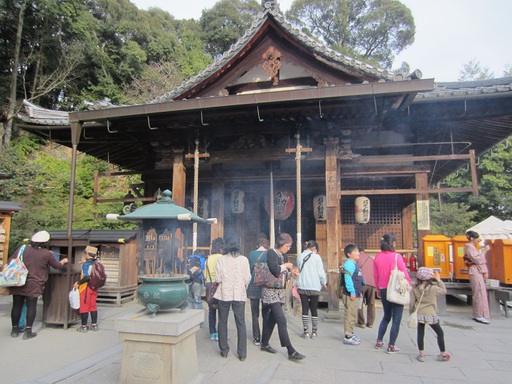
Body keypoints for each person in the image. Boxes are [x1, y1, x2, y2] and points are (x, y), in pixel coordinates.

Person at [9, 230, 69, 339]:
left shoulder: (22, 249)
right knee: (31, 306)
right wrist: (64, 261)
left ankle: (14, 330)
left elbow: (10, 261)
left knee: (16, 306)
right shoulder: (46, 253)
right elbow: (57, 266)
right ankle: (28, 332)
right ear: (45, 242)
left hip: (18, 281)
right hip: (35, 283)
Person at [260, 233, 305, 362]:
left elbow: (283, 272)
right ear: (280, 244)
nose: (288, 248)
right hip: (270, 292)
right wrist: (286, 266)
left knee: (273, 319)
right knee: (281, 320)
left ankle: (264, 343)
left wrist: (292, 272)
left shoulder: (283, 255)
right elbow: (274, 270)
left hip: (279, 291)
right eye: (287, 246)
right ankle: (290, 350)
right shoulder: (271, 253)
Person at [374, 232, 411, 354]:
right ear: (393, 243)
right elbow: (404, 273)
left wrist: (378, 289)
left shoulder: (377, 257)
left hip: (383, 289)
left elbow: (376, 275)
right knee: (396, 319)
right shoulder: (396, 257)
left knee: (386, 316)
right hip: (395, 289)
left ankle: (379, 340)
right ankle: (391, 345)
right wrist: (408, 285)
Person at [213, 243, 251, 361]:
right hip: (239, 294)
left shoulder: (221, 259)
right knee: (240, 323)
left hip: (224, 293)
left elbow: (218, 278)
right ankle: (242, 353)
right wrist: (244, 285)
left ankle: (224, 350)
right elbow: (248, 277)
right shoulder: (244, 260)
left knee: (222, 321)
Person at [411, 267, 451, 362]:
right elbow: (444, 290)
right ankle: (443, 354)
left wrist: (412, 314)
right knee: (439, 332)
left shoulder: (415, 289)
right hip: (431, 314)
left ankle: (421, 354)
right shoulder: (433, 288)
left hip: (419, 313)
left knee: (420, 333)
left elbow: (412, 303)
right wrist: (438, 280)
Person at [296, 240, 327, 340]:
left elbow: (300, 269)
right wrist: (324, 282)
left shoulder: (299, 256)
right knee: (314, 308)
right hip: (314, 285)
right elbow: (320, 272)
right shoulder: (316, 257)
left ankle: (306, 332)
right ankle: (314, 331)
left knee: (305, 308)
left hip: (303, 285)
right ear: (314, 248)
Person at [464, 230, 491, 324]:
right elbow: (477, 259)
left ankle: (480, 314)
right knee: (479, 292)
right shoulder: (469, 247)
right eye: (476, 238)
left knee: (480, 292)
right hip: (475, 270)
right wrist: (484, 251)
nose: (477, 240)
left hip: (476, 270)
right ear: (472, 238)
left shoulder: (472, 247)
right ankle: (479, 314)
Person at [247, 237, 270, 345]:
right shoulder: (269, 254)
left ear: (257, 245)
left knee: (254, 312)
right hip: (266, 283)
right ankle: (265, 337)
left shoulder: (251, 254)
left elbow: (249, 268)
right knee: (266, 311)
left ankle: (256, 337)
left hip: (253, 282)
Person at [73, 246, 100, 333]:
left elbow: (87, 277)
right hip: (94, 287)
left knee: (84, 306)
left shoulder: (86, 265)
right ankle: (94, 325)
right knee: (93, 306)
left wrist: (78, 283)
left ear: (88, 254)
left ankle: (84, 326)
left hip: (86, 287)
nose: (85, 254)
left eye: (85, 252)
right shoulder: (97, 263)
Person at [342, 244, 364, 346]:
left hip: (356, 292)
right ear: (349, 254)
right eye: (355, 251)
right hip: (351, 293)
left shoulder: (354, 264)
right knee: (350, 314)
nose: (358, 253)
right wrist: (352, 292)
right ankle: (348, 336)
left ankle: (350, 332)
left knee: (353, 314)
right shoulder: (349, 264)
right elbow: (348, 278)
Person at [204, 237, 226, 341]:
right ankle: (222, 332)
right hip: (220, 285)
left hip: (209, 284)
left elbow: (205, 274)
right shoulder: (222, 258)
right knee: (222, 309)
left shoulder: (208, 258)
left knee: (211, 310)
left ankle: (213, 333)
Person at [357, 247, 376, 328]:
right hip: (372, 282)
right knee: (371, 303)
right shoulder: (371, 259)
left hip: (361, 282)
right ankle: (370, 322)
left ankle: (361, 322)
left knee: (359, 302)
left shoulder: (357, 258)